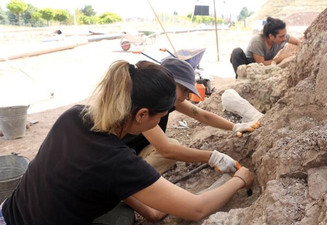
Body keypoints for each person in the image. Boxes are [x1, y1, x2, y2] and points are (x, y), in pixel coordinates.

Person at [0, 60, 254, 225]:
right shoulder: (116, 160)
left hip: (10, 214)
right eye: (160, 116)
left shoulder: (74, 116)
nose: (161, 121)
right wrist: (240, 179)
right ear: (142, 114)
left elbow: (104, 179)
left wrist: (151, 211)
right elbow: (196, 208)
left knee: (121, 215)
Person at [122, 57, 260, 175]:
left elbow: (202, 115)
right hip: (119, 155)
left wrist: (235, 126)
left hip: (138, 150)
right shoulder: (145, 104)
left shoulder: (168, 99)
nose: (187, 96)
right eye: (184, 89)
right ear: (167, 80)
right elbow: (167, 150)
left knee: (173, 145)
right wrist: (213, 157)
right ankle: (131, 181)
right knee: (170, 150)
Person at [230, 17, 301, 78]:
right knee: (237, 52)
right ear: (271, 36)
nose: (285, 38)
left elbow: (298, 42)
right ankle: (240, 79)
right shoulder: (257, 41)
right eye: (281, 36)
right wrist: (280, 58)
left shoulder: (282, 37)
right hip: (251, 65)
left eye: (285, 35)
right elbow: (261, 64)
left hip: (265, 64)